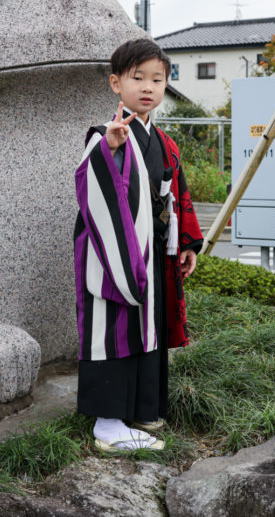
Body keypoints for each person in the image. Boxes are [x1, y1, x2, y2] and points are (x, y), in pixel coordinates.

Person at [72, 38, 203, 451]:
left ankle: (142, 407)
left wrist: (187, 243)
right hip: (116, 257)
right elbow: (92, 185)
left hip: (155, 252)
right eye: (138, 78)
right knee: (114, 331)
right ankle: (107, 425)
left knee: (149, 331)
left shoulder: (165, 143)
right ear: (116, 83)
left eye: (158, 79)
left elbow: (178, 194)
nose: (148, 87)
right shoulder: (105, 135)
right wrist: (109, 148)